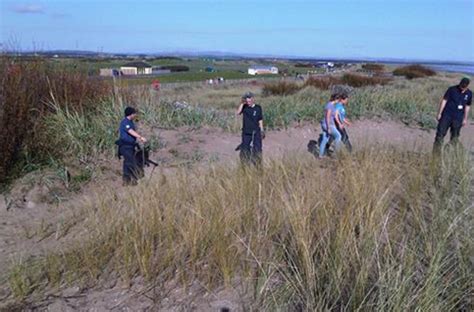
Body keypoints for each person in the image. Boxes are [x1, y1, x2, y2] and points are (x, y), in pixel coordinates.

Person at [433, 77, 472, 154]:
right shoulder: (452, 89)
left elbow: (467, 106)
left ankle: (449, 154)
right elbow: (444, 100)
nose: (462, 88)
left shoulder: (469, 93)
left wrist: (465, 119)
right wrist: (439, 113)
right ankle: (436, 155)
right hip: (446, 115)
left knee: (454, 138)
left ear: (467, 86)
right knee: (439, 135)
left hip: (458, 118)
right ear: (460, 83)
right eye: (461, 86)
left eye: (464, 87)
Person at [117, 107, 147, 185]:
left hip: (130, 146)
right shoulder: (125, 122)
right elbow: (130, 131)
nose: (135, 115)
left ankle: (126, 181)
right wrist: (140, 137)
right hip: (125, 146)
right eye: (134, 113)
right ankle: (134, 179)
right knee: (131, 162)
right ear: (131, 114)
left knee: (127, 163)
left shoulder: (130, 122)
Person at [236, 92, 265, 166]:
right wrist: (242, 103)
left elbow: (260, 119)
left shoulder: (258, 108)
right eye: (247, 101)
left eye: (249, 101)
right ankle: (245, 164)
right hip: (246, 132)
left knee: (257, 148)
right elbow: (238, 112)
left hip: (256, 131)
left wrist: (262, 130)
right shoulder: (244, 107)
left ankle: (257, 163)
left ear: (253, 99)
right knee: (245, 149)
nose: (248, 103)